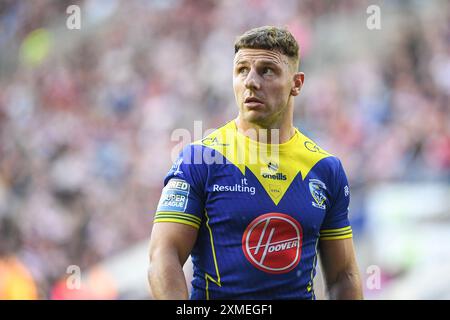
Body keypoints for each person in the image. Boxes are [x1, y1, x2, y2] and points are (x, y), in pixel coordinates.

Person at [148, 26, 363, 300]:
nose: (250, 81)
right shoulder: (200, 159)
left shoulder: (325, 169)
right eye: (241, 70)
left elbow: (343, 274)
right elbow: (163, 256)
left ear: (296, 83)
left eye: (267, 70)